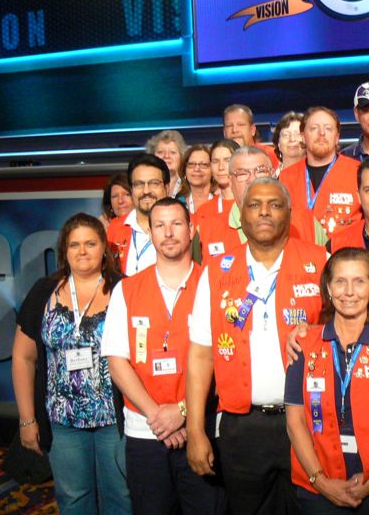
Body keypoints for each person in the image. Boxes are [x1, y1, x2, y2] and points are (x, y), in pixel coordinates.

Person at [186, 178, 327, 514]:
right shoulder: (215, 272)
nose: (264, 212)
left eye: (275, 205)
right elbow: (201, 356)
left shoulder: (321, 262)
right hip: (242, 428)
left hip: (309, 422)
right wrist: (195, 430)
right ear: (242, 213)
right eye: (254, 205)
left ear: (289, 213)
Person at [102, 198, 222, 514]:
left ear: (191, 230)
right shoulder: (126, 290)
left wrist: (183, 411)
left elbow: (225, 361)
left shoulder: (214, 286)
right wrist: (158, 416)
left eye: (176, 224)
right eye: (160, 225)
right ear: (151, 233)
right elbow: (116, 361)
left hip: (202, 428)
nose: (168, 233)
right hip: (146, 431)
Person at [12, 213, 131, 514]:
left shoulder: (126, 290)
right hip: (63, 420)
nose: (82, 251)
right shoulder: (44, 292)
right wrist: (27, 420)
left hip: (115, 419)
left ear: (104, 248)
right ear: (64, 251)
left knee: (121, 498)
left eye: (90, 243)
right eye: (74, 245)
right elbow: (24, 358)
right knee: (73, 500)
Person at [285, 248, 369, 513]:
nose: (349, 292)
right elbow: (294, 421)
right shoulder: (304, 343)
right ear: (328, 288)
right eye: (340, 281)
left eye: (359, 281)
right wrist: (321, 482)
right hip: (319, 492)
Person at [196, 146, 326, 263]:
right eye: (242, 173)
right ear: (230, 181)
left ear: (272, 175)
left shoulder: (306, 223)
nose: (252, 179)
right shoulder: (206, 231)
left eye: (260, 171)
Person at [279, 106, 363, 236]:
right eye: (314, 128)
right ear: (303, 137)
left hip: (345, 248)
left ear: (337, 137)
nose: (322, 133)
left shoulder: (358, 172)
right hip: (299, 247)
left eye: (328, 128)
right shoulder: (285, 177)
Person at [107, 153, 169, 276]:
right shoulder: (115, 227)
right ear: (131, 189)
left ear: (167, 188)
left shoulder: (186, 224)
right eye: (139, 184)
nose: (146, 191)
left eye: (154, 183)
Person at [223, 103, 280, 168]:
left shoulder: (272, 155)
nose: (234, 130)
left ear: (252, 130)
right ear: (224, 132)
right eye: (229, 126)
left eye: (241, 124)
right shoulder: (218, 159)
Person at [146, 130, 187, 198]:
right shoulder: (145, 186)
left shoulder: (191, 185)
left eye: (172, 152)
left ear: (181, 156)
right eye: (160, 152)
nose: (166, 156)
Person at [176, 144, 216, 214]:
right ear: (185, 170)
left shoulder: (221, 201)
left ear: (213, 170)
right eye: (191, 164)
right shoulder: (177, 203)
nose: (197, 169)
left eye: (203, 165)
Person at [272, 111, 305, 177]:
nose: (292, 139)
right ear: (278, 144)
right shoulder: (270, 180)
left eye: (298, 134)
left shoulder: (320, 177)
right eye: (286, 135)